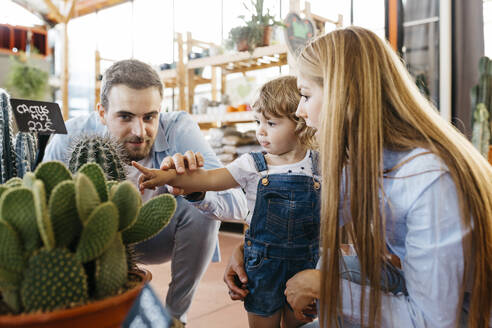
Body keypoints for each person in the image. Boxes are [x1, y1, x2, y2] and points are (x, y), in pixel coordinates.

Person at [226, 26, 492, 327]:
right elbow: (310, 222)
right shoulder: (365, 159)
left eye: (306, 95)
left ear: (345, 97)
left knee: (328, 274)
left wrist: (326, 288)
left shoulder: (430, 181)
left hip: (466, 316)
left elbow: (434, 321)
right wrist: (251, 248)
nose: (300, 110)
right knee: (328, 262)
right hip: (420, 290)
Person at [43, 59, 248, 324]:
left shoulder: (179, 128)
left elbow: (239, 203)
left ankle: (176, 318)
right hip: (95, 240)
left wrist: (195, 189)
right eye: (125, 116)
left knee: (201, 206)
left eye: (150, 116)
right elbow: (45, 207)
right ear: (102, 113)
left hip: (156, 235)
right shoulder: (69, 136)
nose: (140, 132)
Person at [133, 76, 321, 328]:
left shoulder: (319, 165)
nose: (260, 131)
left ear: (300, 124)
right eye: (258, 121)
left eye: (271, 123)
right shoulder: (252, 164)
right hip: (261, 265)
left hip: (306, 265)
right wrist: (165, 175)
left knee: (297, 324)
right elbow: (210, 178)